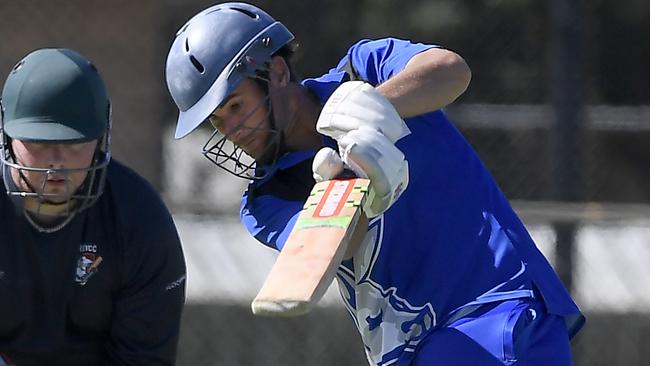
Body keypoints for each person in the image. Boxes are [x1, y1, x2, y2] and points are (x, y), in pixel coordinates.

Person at [165, 3, 584, 365]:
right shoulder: (266, 198)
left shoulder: (364, 69)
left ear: (275, 72)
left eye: (236, 106)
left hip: (496, 315)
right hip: (417, 350)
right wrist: (363, 190)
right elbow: (337, 251)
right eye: (218, 121)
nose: (231, 130)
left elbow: (450, 70)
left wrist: (374, 110)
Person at [0, 48, 186, 365]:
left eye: (74, 143)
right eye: (39, 142)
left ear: (101, 138)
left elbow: (144, 358)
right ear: (7, 136)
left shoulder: (139, 218)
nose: (57, 163)